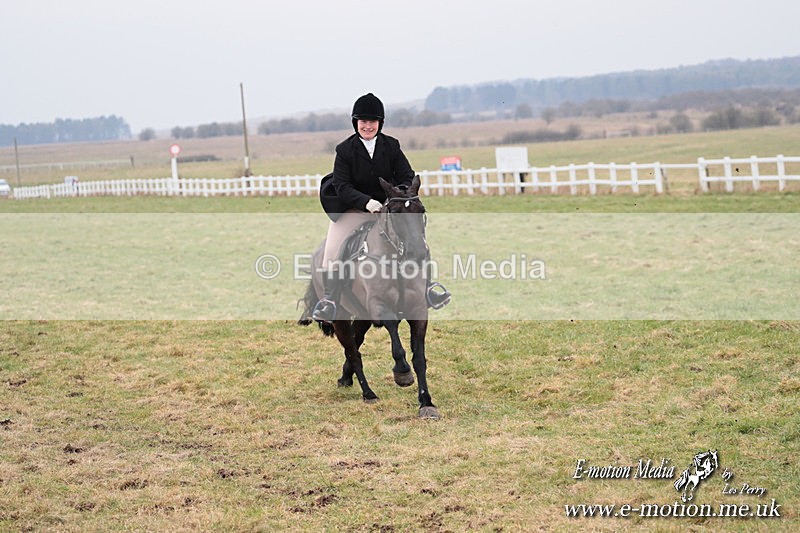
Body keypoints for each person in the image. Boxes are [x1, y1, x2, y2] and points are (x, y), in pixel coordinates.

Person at [312, 93, 450, 322]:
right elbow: (342, 186)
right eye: (363, 122)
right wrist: (366, 202)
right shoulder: (344, 150)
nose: (367, 126)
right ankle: (329, 301)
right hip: (354, 210)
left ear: (380, 123)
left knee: (418, 241)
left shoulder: (391, 145)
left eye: (372, 122)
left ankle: (428, 289)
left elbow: (407, 176)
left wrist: (396, 197)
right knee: (332, 253)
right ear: (356, 123)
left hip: (388, 210)